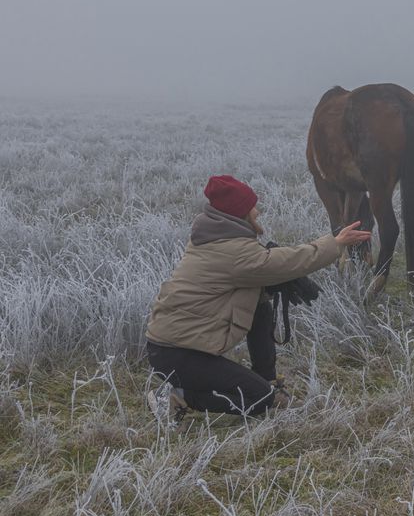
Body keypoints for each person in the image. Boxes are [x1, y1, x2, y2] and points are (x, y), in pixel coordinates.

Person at [145, 175, 370, 421]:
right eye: (252, 207)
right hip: (179, 354)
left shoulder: (215, 241)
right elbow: (291, 260)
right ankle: (176, 397)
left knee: (260, 305)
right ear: (239, 213)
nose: (257, 211)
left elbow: (258, 271)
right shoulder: (236, 253)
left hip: (171, 348)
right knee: (261, 399)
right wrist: (336, 244)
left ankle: (266, 379)